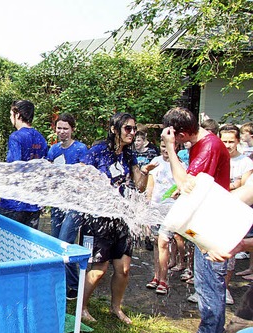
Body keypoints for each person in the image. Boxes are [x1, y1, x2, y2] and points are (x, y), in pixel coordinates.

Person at [161, 106, 231, 333]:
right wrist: (180, 188)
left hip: (212, 226)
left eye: (172, 137)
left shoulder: (208, 147)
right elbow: (192, 183)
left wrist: (171, 150)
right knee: (204, 283)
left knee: (209, 287)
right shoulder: (201, 144)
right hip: (202, 223)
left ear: (180, 135)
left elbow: (186, 184)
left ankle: (210, 330)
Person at [80, 112, 151, 325]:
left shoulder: (130, 155)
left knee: (124, 269)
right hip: (97, 219)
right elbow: (81, 176)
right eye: (127, 128)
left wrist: (145, 171)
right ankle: (81, 306)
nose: (132, 132)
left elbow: (140, 186)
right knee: (99, 270)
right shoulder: (98, 151)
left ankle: (115, 307)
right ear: (114, 129)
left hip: (121, 218)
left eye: (134, 129)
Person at [46, 113, 88, 300]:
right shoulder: (53, 150)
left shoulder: (80, 149)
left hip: (74, 205)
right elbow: (47, 173)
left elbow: (84, 176)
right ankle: (61, 283)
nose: (62, 132)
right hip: (57, 203)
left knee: (65, 242)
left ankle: (74, 286)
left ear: (72, 129)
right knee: (55, 244)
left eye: (65, 128)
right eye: (59, 128)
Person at [0, 100, 48, 228]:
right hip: (33, 203)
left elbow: (15, 167)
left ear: (18, 115)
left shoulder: (16, 137)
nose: (10, 118)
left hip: (13, 202)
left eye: (10, 114)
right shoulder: (41, 138)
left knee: (2, 238)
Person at [144, 140, 187, 296]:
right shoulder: (155, 162)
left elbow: (184, 185)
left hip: (172, 209)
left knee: (164, 242)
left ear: (175, 147)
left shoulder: (181, 165)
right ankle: (156, 276)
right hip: (156, 209)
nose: (165, 150)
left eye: (167, 147)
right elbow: (150, 185)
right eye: (162, 147)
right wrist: (147, 203)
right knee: (157, 243)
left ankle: (164, 279)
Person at [219, 124, 253, 305]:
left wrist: (233, 185)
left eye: (231, 141)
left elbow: (246, 187)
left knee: (229, 255)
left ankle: (225, 289)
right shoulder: (217, 158)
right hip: (216, 210)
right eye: (224, 141)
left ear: (238, 141)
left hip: (235, 213)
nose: (227, 145)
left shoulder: (245, 162)